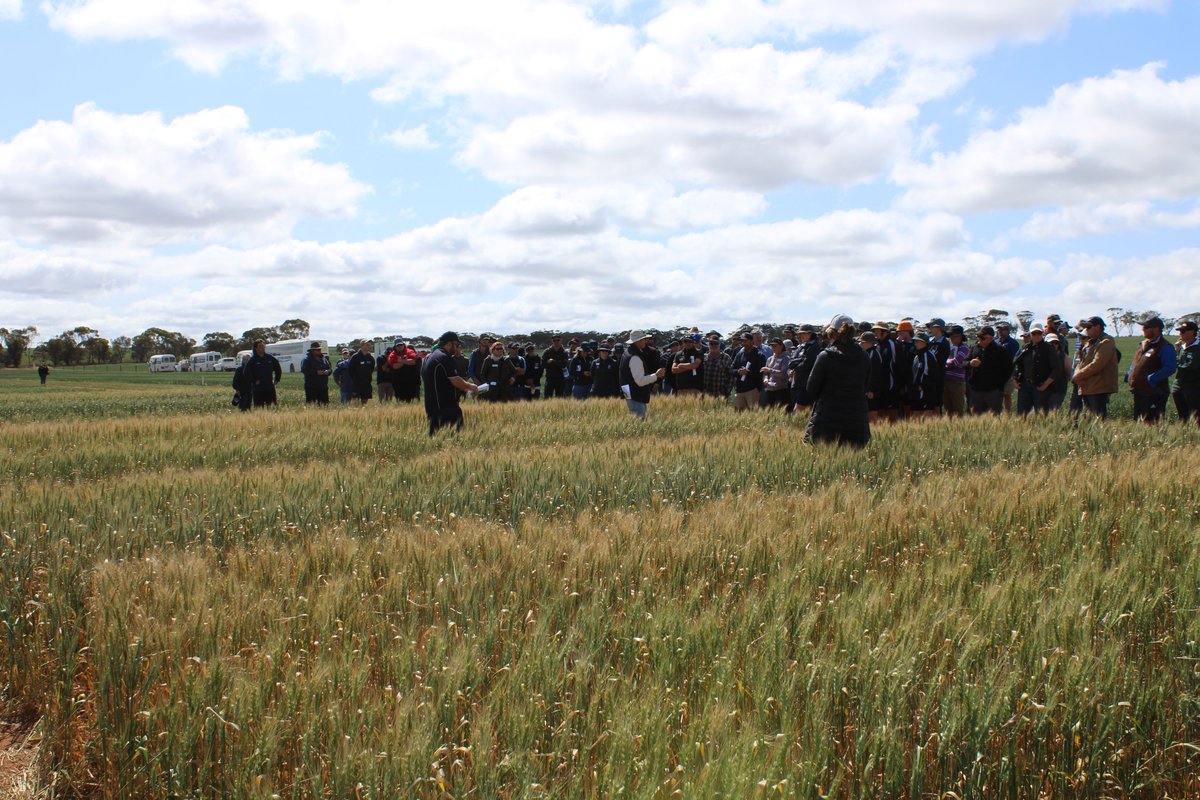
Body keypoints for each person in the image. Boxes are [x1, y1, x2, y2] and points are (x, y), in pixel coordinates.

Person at [805, 315, 870, 448]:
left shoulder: (825, 356)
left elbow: (811, 389)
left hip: (826, 421)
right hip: (857, 421)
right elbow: (866, 384)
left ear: (831, 332)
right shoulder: (864, 356)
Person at [421, 331, 479, 435]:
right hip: (445, 408)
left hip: (432, 406)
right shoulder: (443, 357)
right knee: (454, 440)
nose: (457, 348)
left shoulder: (430, 357)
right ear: (449, 343)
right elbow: (455, 380)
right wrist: (471, 387)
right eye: (456, 345)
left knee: (436, 440)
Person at [1126, 315, 1176, 425]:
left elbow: (1170, 368)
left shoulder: (1165, 347)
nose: (1142, 329)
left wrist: (1151, 379)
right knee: (1139, 423)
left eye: (1146, 327)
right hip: (1139, 391)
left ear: (1156, 329)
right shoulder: (1143, 345)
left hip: (1154, 393)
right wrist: (1129, 375)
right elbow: (1135, 363)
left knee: (1152, 425)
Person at [1071, 316, 1118, 418]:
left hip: (1098, 388)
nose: (1086, 330)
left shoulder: (1106, 342)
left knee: (1098, 420)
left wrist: (1077, 376)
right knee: (1088, 420)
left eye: (1089, 327)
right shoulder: (1089, 343)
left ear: (1098, 327)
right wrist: (1077, 375)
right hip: (1086, 387)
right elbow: (1080, 363)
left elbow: (1097, 364)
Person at [1012, 326, 1062, 415]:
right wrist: (1014, 380)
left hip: (1040, 386)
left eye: (1039, 333)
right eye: (1034, 333)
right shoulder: (1025, 348)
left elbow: (1056, 369)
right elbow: (1014, 364)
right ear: (1030, 334)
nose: (1036, 336)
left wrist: (1045, 385)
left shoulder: (1049, 348)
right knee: (1021, 415)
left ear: (1042, 334)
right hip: (1024, 386)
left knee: (1041, 416)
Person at [966, 326, 1014, 415]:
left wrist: (999, 384)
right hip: (976, 390)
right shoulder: (974, 348)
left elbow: (1008, 369)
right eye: (979, 337)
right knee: (977, 419)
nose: (979, 340)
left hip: (993, 391)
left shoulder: (1000, 351)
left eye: (982, 338)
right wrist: (970, 363)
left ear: (991, 338)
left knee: (994, 418)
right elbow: (964, 363)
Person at [618, 330, 666, 419]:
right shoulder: (635, 357)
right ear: (638, 341)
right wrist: (656, 375)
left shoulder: (627, 353)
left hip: (629, 393)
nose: (646, 341)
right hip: (636, 395)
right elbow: (640, 381)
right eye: (644, 339)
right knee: (640, 422)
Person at [906, 333, 942, 420]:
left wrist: (922, 386)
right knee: (915, 416)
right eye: (915, 341)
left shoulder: (929, 355)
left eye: (918, 341)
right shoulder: (917, 356)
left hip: (926, 393)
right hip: (916, 393)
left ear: (925, 343)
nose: (915, 343)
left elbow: (932, 374)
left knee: (926, 417)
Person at [787, 324, 821, 412]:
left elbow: (807, 364)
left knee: (799, 412)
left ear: (810, 334)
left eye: (803, 333)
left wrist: (796, 366)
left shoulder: (815, 347)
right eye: (799, 334)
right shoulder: (801, 346)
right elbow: (791, 361)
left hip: (806, 385)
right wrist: (799, 361)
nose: (800, 336)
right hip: (796, 384)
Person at [1173, 320, 1200, 425]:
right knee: (1183, 416)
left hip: (1193, 387)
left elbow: (1191, 366)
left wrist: (1176, 364)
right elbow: (1178, 361)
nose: (1180, 334)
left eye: (1183, 331)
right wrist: (1177, 350)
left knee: (1196, 415)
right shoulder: (1181, 347)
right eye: (1180, 331)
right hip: (1179, 385)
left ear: (1192, 332)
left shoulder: (1197, 348)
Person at [732, 331, 766, 411]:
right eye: (742, 341)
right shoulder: (739, 354)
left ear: (751, 341)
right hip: (740, 390)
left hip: (752, 390)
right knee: (737, 415)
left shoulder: (759, 355)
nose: (743, 343)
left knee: (752, 415)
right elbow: (732, 369)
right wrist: (738, 372)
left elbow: (761, 373)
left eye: (745, 340)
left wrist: (748, 373)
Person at [244, 339, 282, 407]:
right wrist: (254, 381)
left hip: (270, 387)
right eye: (260, 346)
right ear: (256, 348)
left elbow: (278, 368)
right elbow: (246, 372)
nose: (262, 347)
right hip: (258, 388)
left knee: (272, 406)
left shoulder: (269, 358)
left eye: (263, 346)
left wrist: (277, 379)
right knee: (258, 408)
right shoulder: (253, 360)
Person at [942, 325, 969, 417]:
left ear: (960, 337)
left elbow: (955, 362)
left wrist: (945, 364)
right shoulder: (950, 348)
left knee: (957, 410)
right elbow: (949, 361)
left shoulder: (964, 348)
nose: (952, 338)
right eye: (950, 336)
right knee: (948, 409)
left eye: (954, 336)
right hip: (946, 381)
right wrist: (947, 363)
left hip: (957, 383)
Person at [995, 322, 1020, 412]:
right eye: (999, 330)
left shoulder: (1013, 343)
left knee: (1006, 394)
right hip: (996, 373)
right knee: (996, 394)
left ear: (1008, 331)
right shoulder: (995, 342)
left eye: (1003, 330)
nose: (1000, 332)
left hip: (1008, 374)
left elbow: (1014, 359)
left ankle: (1007, 414)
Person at [702, 335, 733, 402]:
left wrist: (726, 392)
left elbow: (731, 376)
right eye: (711, 343)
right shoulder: (703, 357)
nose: (713, 345)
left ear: (719, 344)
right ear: (708, 345)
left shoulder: (726, 358)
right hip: (705, 395)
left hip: (720, 395)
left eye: (716, 343)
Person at [761, 337, 790, 407]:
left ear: (781, 346)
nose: (773, 347)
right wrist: (765, 379)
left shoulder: (786, 358)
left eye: (775, 345)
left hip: (780, 390)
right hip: (769, 389)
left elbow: (784, 374)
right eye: (772, 346)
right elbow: (765, 373)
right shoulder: (769, 359)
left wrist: (770, 370)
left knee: (780, 412)